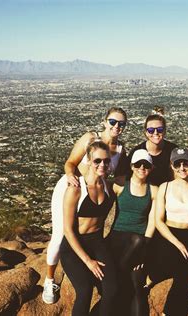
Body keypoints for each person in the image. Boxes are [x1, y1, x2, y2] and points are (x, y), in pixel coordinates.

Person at [43, 107, 128, 304]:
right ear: (105, 121)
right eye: (113, 122)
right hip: (71, 187)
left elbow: (118, 178)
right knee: (59, 234)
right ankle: (49, 279)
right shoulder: (90, 138)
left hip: (93, 193)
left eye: (121, 124)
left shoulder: (121, 150)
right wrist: (71, 176)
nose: (117, 126)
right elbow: (70, 162)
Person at [59, 140, 117, 316]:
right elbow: (68, 230)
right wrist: (88, 262)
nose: (102, 164)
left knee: (112, 288)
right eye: (97, 160)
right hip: (74, 246)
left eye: (106, 161)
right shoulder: (76, 189)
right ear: (89, 161)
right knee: (85, 290)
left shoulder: (108, 187)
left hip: (97, 243)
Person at [149, 148, 188, 316]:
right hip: (169, 235)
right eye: (178, 163)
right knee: (175, 265)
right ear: (172, 166)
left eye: (186, 163)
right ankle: (153, 276)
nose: (182, 167)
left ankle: (168, 313)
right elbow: (159, 221)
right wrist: (178, 243)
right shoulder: (164, 187)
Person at [109, 149, 158, 316]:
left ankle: (118, 275)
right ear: (131, 166)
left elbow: (153, 220)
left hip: (138, 245)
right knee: (137, 240)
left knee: (137, 286)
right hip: (118, 237)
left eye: (146, 164)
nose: (142, 168)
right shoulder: (120, 184)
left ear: (151, 167)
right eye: (138, 164)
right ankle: (119, 274)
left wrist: (144, 250)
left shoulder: (154, 190)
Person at [127, 107, 177, 186]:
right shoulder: (136, 152)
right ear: (146, 132)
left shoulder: (173, 150)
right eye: (151, 130)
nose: (155, 132)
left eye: (160, 129)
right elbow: (128, 178)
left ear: (164, 131)